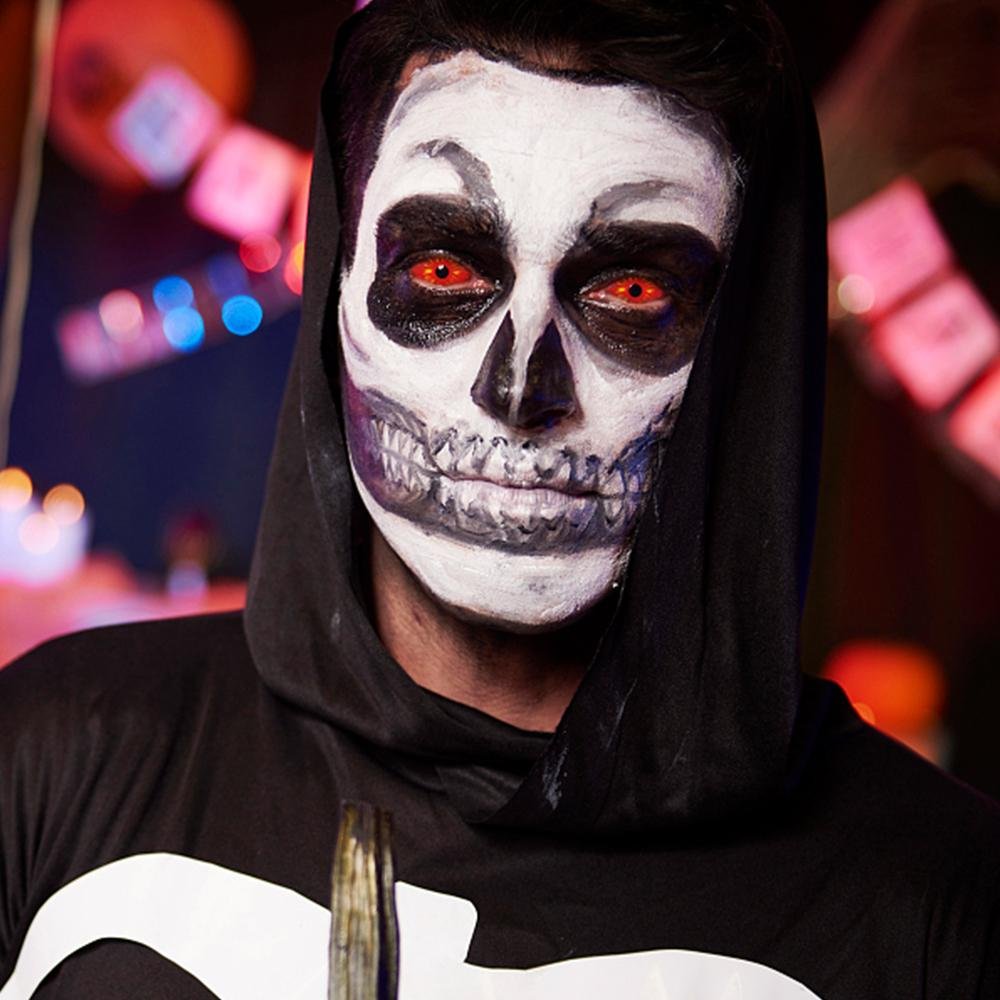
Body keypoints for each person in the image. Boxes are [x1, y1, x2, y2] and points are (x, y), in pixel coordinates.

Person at [2, 1, 998, 997]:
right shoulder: (60, 749)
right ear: (341, 285)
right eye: (444, 269)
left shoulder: (936, 902)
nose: (519, 389)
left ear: (742, 343)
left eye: (629, 291)